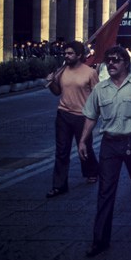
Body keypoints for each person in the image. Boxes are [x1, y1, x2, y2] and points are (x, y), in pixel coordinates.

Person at [79, 46, 131, 257]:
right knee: (105, 191)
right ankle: (100, 240)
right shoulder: (100, 89)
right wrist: (83, 141)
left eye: (116, 60)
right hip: (110, 144)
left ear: (125, 64)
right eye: (108, 60)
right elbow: (91, 116)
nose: (111, 63)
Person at [44, 41, 99, 198]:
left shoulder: (90, 73)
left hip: (83, 116)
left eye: (70, 54)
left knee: (85, 148)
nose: (66, 56)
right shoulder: (61, 71)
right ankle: (59, 185)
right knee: (62, 151)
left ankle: (91, 171)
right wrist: (51, 83)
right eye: (65, 53)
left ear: (79, 55)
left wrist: (94, 114)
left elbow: (96, 96)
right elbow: (57, 92)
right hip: (63, 115)